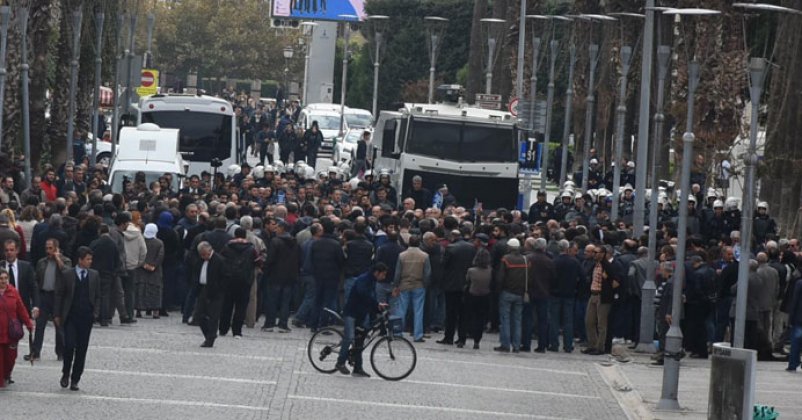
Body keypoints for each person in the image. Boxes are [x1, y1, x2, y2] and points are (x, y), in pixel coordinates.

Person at [54, 246, 101, 391]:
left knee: (82, 349)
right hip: (71, 317)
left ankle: (75, 378)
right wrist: (57, 314)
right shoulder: (68, 274)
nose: (90, 262)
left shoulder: (94, 275)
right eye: (87, 259)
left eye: (91, 259)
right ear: (80, 260)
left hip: (86, 317)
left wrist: (95, 313)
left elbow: (98, 295)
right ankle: (66, 372)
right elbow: (59, 294)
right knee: (69, 346)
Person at [334, 263, 389, 378]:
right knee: (349, 337)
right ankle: (340, 362)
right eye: (383, 275)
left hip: (361, 314)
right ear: (376, 273)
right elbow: (364, 295)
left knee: (359, 340)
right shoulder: (364, 280)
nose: (384, 277)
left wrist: (378, 308)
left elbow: (371, 299)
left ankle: (358, 368)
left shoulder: (372, 281)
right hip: (351, 313)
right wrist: (376, 304)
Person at [263, 219, 300, 332]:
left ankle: (270, 323)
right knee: (285, 301)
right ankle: (283, 324)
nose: (275, 228)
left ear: (282, 229)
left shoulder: (275, 241)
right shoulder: (294, 242)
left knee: (273, 300)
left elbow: (270, 259)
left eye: (277, 227)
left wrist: (267, 271)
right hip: (290, 276)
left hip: (275, 275)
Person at [0, 267, 35, 388]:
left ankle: (6, 374)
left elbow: (21, 309)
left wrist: (28, 324)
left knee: (10, 358)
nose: (3, 281)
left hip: (11, 333)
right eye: (1, 278)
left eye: (5, 278)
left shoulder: (13, 292)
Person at [220, 228, 257, 337]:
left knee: (227, 305)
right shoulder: (251, 248)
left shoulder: (227, 247)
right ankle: (237, 331)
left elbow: (221, 260)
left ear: (234, 235)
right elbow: (259, 261)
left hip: (229, 279)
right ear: (245, 236)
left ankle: (223, 328)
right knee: (241, 307)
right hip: (245, 280)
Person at [392, 235, 430, 343]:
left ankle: (398, 332)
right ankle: (418, 335)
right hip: (419, 285)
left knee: (401, 310)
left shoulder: (402, 255)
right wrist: (425, 284)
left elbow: (397, 273)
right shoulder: (425, 256)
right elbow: (427, 273)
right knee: (418, 310)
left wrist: (396, 285)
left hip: (404, 284)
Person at [194, 241, 227, 348]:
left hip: (216, 291)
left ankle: (210, 339)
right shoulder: (200, 260)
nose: (204, 257)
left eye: (206, 254)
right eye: (202, 255)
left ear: (210, 250)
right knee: (199, 315)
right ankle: (209, 334)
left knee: (213, 316)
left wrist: (219, 289)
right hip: (203, 289)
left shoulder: (219, 260)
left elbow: (225, 277)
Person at [464, 247, 492, 349]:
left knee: (469, 316)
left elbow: (467, 281)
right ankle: (477, 340)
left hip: (472, 295)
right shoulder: (490, 271)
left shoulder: (471, 271)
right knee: (480, 319)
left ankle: (465, 336)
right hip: (485, 295)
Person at [135, 224, 165, 318]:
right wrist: (154, 265)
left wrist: (144, 264)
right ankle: (155, 311)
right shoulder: (159, 243)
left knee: (140, 289)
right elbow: (160, 256)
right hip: (155, 271)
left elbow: (136, 254)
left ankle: (138, 310)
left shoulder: (140, 241)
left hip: (140, 270)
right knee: (155, 290)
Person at [786, 278, 802, 372]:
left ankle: (793, 364)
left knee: (795, 342)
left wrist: (791, 317)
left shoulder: (799, 283)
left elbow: (795, 300)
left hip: (799, 317)